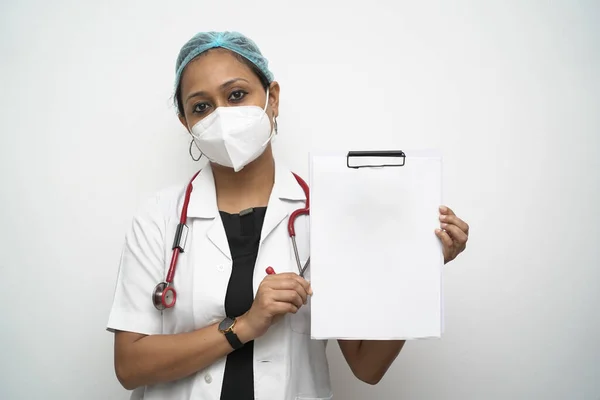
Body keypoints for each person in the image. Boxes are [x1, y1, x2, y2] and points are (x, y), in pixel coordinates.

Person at [106, 31, 470, 400]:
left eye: (236, 95)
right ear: (187, 123)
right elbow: (130, 366)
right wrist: (244, 326)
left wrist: (419, 266)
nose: (222, 116)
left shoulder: (327, 214)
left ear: (272, 99)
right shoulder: (158, 218)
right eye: (201, 107)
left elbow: (367, 366)